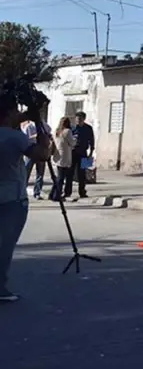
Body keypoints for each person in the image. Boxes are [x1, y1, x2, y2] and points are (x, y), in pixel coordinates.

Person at [2, 92, 53, 302]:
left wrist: (27, 115)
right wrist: (38, 121)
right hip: (11, 199)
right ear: (8, 113)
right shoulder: (14, 137)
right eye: (15, 111)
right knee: (4, 245)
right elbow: (42, 154)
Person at [21, 102, 51, 201]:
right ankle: (22, 191)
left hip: (41, 151)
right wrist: (34, 137)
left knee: (40, 174)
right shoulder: (29, 126)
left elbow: (48, 133)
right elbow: (25, 139)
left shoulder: (44, 125)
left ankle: (37, 192)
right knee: (26, 172)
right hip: (31, 151)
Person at [50, 117, 76, 202]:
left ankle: (52, 194)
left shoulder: (57, 131)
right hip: (65, 156)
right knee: (61, 178)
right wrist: (75, 139)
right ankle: (56, 195)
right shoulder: (67, 131)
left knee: (59, 177)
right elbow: (72, 143)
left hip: (57, 156)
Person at [70, 111, 94, 198]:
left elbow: (92, 141)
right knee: (70, 173)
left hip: (83, 153)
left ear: (83, 119)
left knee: (82, 174)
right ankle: (67, 191)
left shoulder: (88, 128)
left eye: (80, 119)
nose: (78, 121)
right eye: (76, 119)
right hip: (73, 153)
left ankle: (82, 192)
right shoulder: (72, 128)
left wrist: (91, 153)